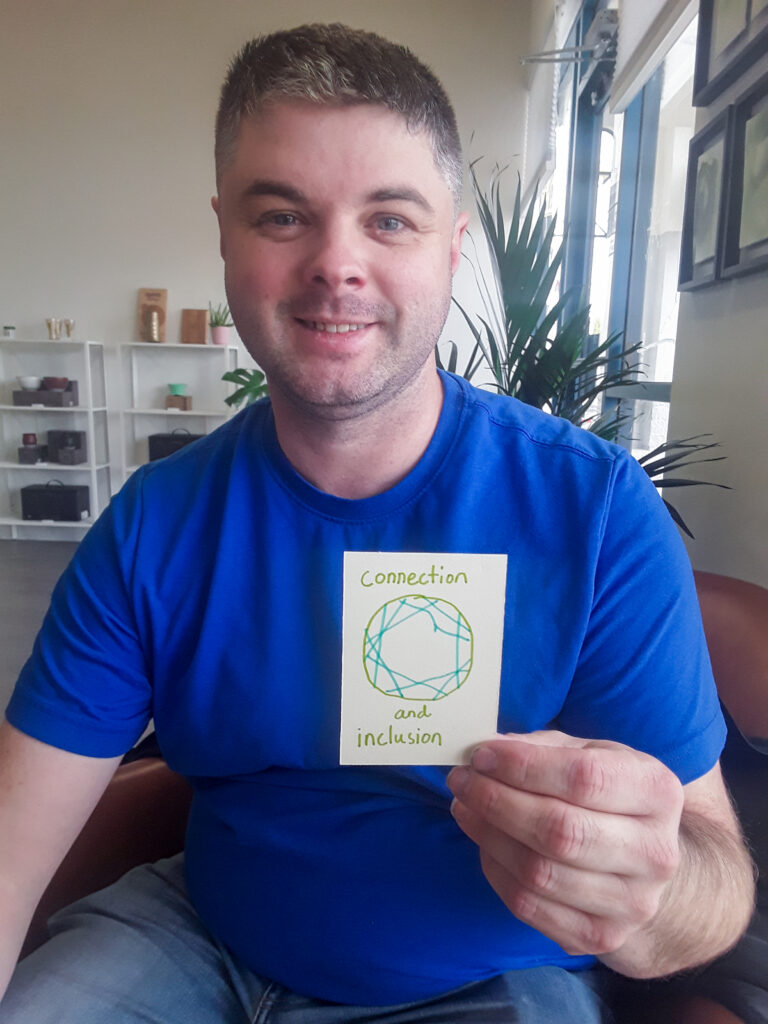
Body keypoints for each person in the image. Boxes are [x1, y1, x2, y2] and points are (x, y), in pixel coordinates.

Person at [0, 23, 756, 1023]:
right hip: (195, 937)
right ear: (224, 232)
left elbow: (713, 888)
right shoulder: (156, 523)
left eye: (390, 219)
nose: (335, 265)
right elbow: (13, 840)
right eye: (282, 216)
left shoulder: (595, 510)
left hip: (482, 981)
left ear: (453, 246)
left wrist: (648, 891)